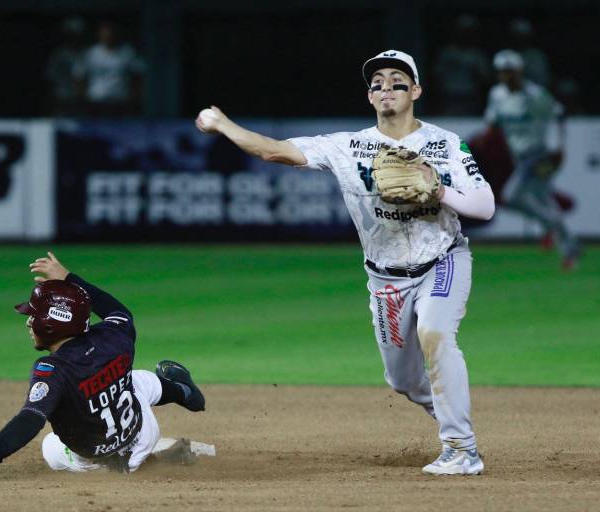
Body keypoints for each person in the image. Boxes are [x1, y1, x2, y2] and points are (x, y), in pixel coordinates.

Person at [195, 50, 494, 476]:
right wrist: (222, 124)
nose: (386, 87)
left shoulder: (445, 144)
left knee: (435, 331)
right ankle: (453, 416)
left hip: (441, 260)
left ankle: (461, 448)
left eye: (397, 79)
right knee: (403, 380)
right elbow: (274, 152)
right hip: (386, 279)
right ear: (370, 97)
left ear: (416, 90)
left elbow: (484, 206)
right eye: (377, 82)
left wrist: (439, 191)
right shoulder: (346, 146)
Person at [0, 252, 205, 478]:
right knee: (139, 379)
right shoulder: (115, 335)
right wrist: (67, 277)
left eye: (33, 316)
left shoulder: (53, 370)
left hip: (97, 465)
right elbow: (115, 309)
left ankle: (146, 460)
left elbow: (29, 420)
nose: (29, 322)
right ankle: (185, 393)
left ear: (50, 325)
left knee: (50, 447)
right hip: (143, 434)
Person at [485, 49, 580, 270]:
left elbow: (559, 114)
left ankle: (548, 226)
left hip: (538, 156)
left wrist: (560, 148)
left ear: (520, 71)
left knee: (511, 195)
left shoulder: (536, 95)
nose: (506, 76)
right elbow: (492, 123)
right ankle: (569, 248)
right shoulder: (497, 95)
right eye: (502, 72)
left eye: (510, 71)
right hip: (519, 157)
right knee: (546, 202)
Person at [75, 20, 145, 117]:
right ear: (99, 35)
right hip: (96, 101)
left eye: (110, 33)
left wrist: (134, 97)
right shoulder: (90, 53)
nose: (108, 36)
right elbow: (79, 76)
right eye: (105, 34)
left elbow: (137, 75)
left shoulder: (127, 52)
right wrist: (83, 98)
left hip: (120, 101)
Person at [431, 14, 492, 115]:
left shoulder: (477, 54)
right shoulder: (447, 52)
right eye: (463, 31)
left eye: (469, 31)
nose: (465, 34)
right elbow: (436, 76)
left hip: (470, 97)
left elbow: (485, 79)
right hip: (449, 97)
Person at [44, 16, 87, 116]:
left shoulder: (87, 54)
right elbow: (50, 79)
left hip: (80, 101)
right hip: (61, 99)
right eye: (71, 34)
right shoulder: (59, 55)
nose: (74, 37)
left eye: (76, 34)